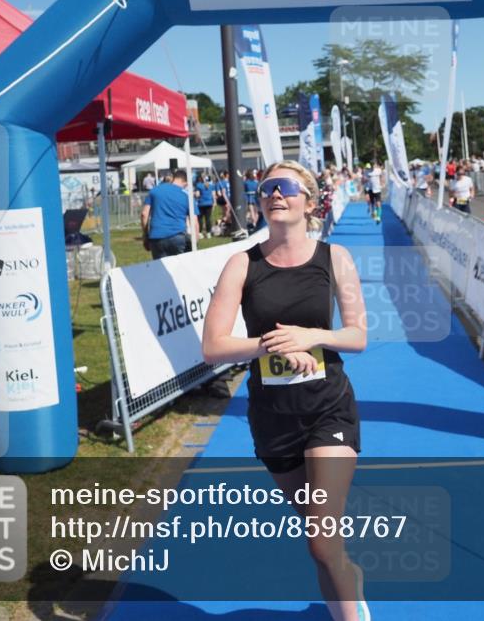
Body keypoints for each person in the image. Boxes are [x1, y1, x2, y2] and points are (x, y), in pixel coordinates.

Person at [202, 160, 370, 621]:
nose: (276, 194)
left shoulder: (335, 258)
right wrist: (271, 345)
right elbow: (212, 346)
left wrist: (313, 337)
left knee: (320, 541)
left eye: (287, 187)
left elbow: (357, 336)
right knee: (325, 544)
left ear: (310, 202)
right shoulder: (242, 264)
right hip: (274, 418)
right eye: (267, 187)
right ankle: (348, 579)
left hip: (328, 410)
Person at [141, 170, 193, 259]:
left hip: (156, 237)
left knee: (160, 269)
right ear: (185, 182)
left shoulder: (154, 191)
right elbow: (193, 219)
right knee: (181, 269)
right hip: (177, 235)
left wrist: (145, 235)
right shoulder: (185, 194)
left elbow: (144, 214)